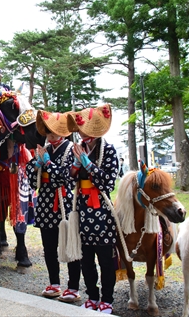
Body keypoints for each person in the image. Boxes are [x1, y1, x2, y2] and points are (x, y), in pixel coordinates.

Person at [67, 104, 118, 314]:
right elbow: (67, 178)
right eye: (79, 129)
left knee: (106, 259)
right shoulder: (77, 149)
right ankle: (92, 296)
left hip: (102, 213)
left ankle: (107, 298)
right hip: (82, 211)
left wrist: (88, 165)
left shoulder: (109, 150)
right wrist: (76, 167)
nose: (80, 132)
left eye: (82, 128)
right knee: (85, 259)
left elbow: (108, 183)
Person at [25, 110, 81, 302]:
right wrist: (37, 166)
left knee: (70, 246)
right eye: (48, 130)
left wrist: (47, 164)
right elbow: (31, 179)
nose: (52, 134)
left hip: (65, 204)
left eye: (56, 130)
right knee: (49, 247)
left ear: (65, 131)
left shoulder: (72, 149)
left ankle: (73, 286)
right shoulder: (45, 149)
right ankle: (54, 283)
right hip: (46, 205)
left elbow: (65, 178)